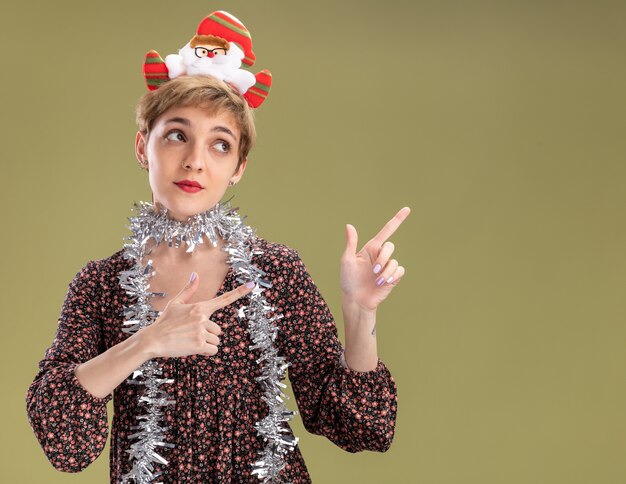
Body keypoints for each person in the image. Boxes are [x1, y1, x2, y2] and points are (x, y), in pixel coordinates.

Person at [26, 10, 409, 483]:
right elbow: (63, 438)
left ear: (239, 167)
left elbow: (361, 427)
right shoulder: (100, 285)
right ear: (143, 147)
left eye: (220, 144)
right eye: (177, 136)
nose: (194, 162)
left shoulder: (276, 271)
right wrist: (147, 341)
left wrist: (360, 310)